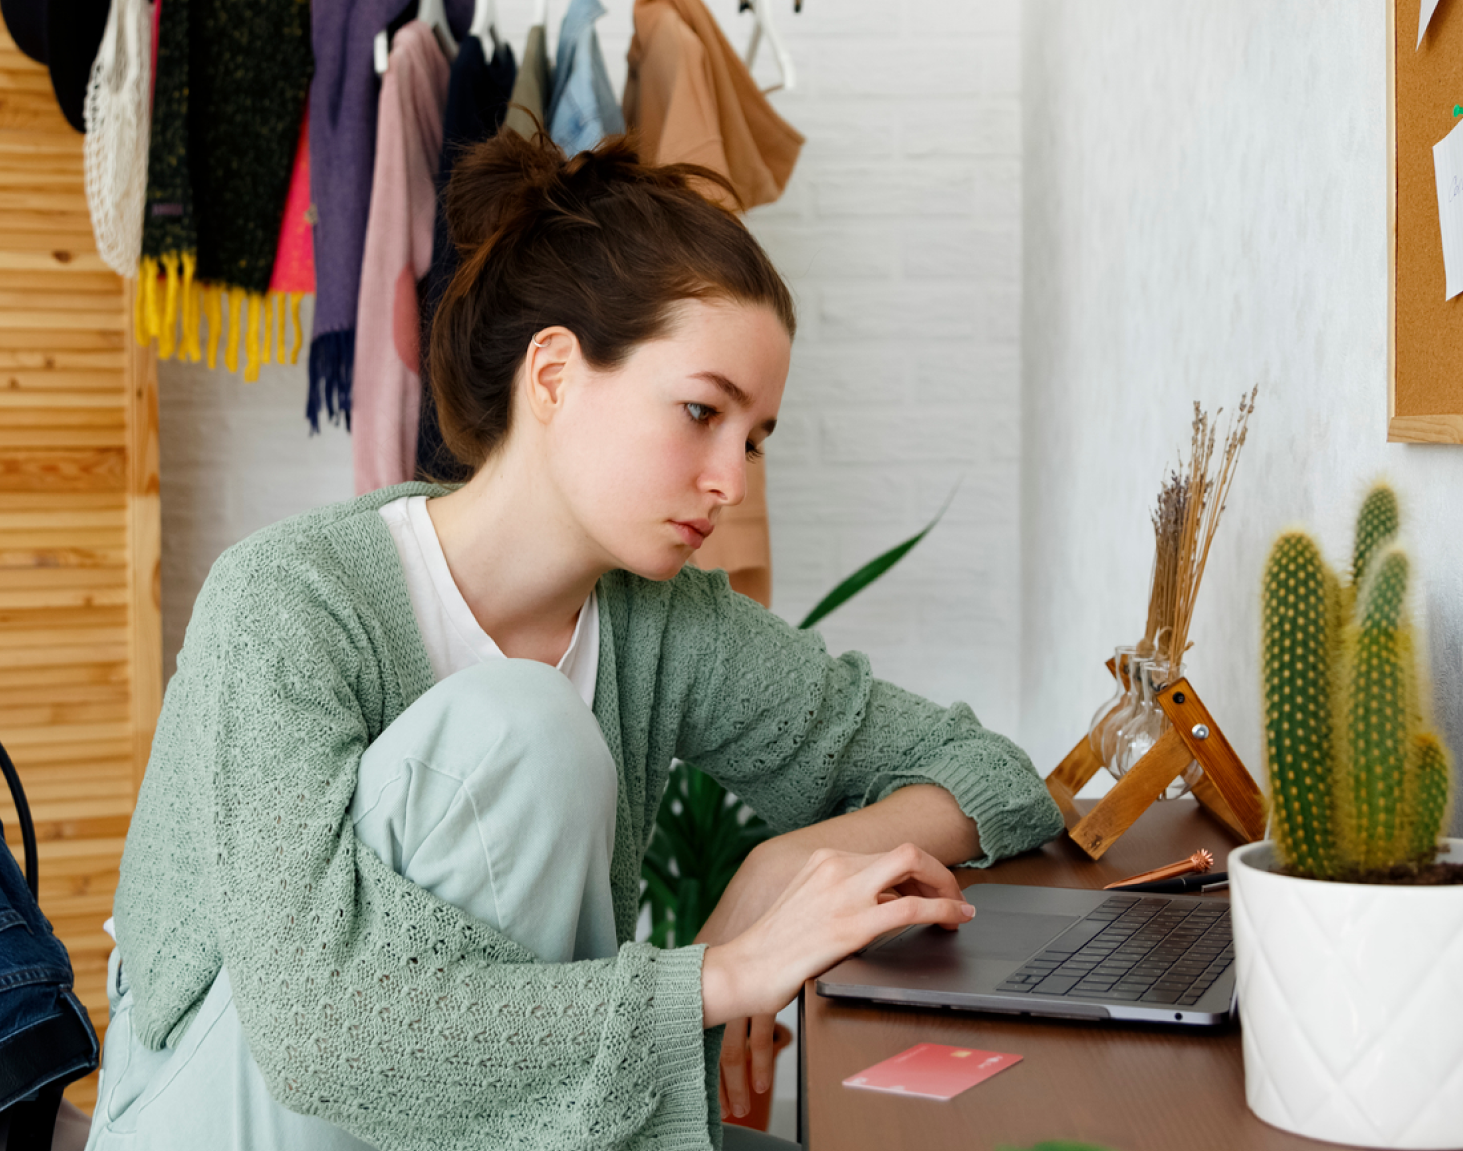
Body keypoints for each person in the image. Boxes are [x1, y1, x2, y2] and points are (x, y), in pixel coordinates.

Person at [89, 132, 1064, 1151]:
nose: (731, 480)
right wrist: (723, 972)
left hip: (487, 1122)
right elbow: (318, 1031)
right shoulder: (290, 602)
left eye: (753, 437)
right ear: (551, 374)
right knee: (523, 724)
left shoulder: (666, 624)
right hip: (215, 1113)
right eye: (700, 411)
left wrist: (787, 860)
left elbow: (987, 774)